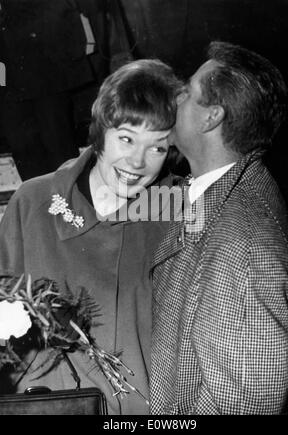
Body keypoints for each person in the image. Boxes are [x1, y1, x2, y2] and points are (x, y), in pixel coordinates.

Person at [0, 58, 182, 415]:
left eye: (157, 147)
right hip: (47, 407)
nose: (137, 162)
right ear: (101, 130)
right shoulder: (33, 202)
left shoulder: (175, 210)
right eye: (126, 138)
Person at [150, 41, 288, 415]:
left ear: (210, 118)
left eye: (186, 94)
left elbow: (248, 403)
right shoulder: (225, 192)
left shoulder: (243, 243)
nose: (175, 100)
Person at [0, 0, 106, 180]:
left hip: (44, 49)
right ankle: (39, 203)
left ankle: (70, 201)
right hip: (10, 59)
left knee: (55, 137)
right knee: (23, 143)